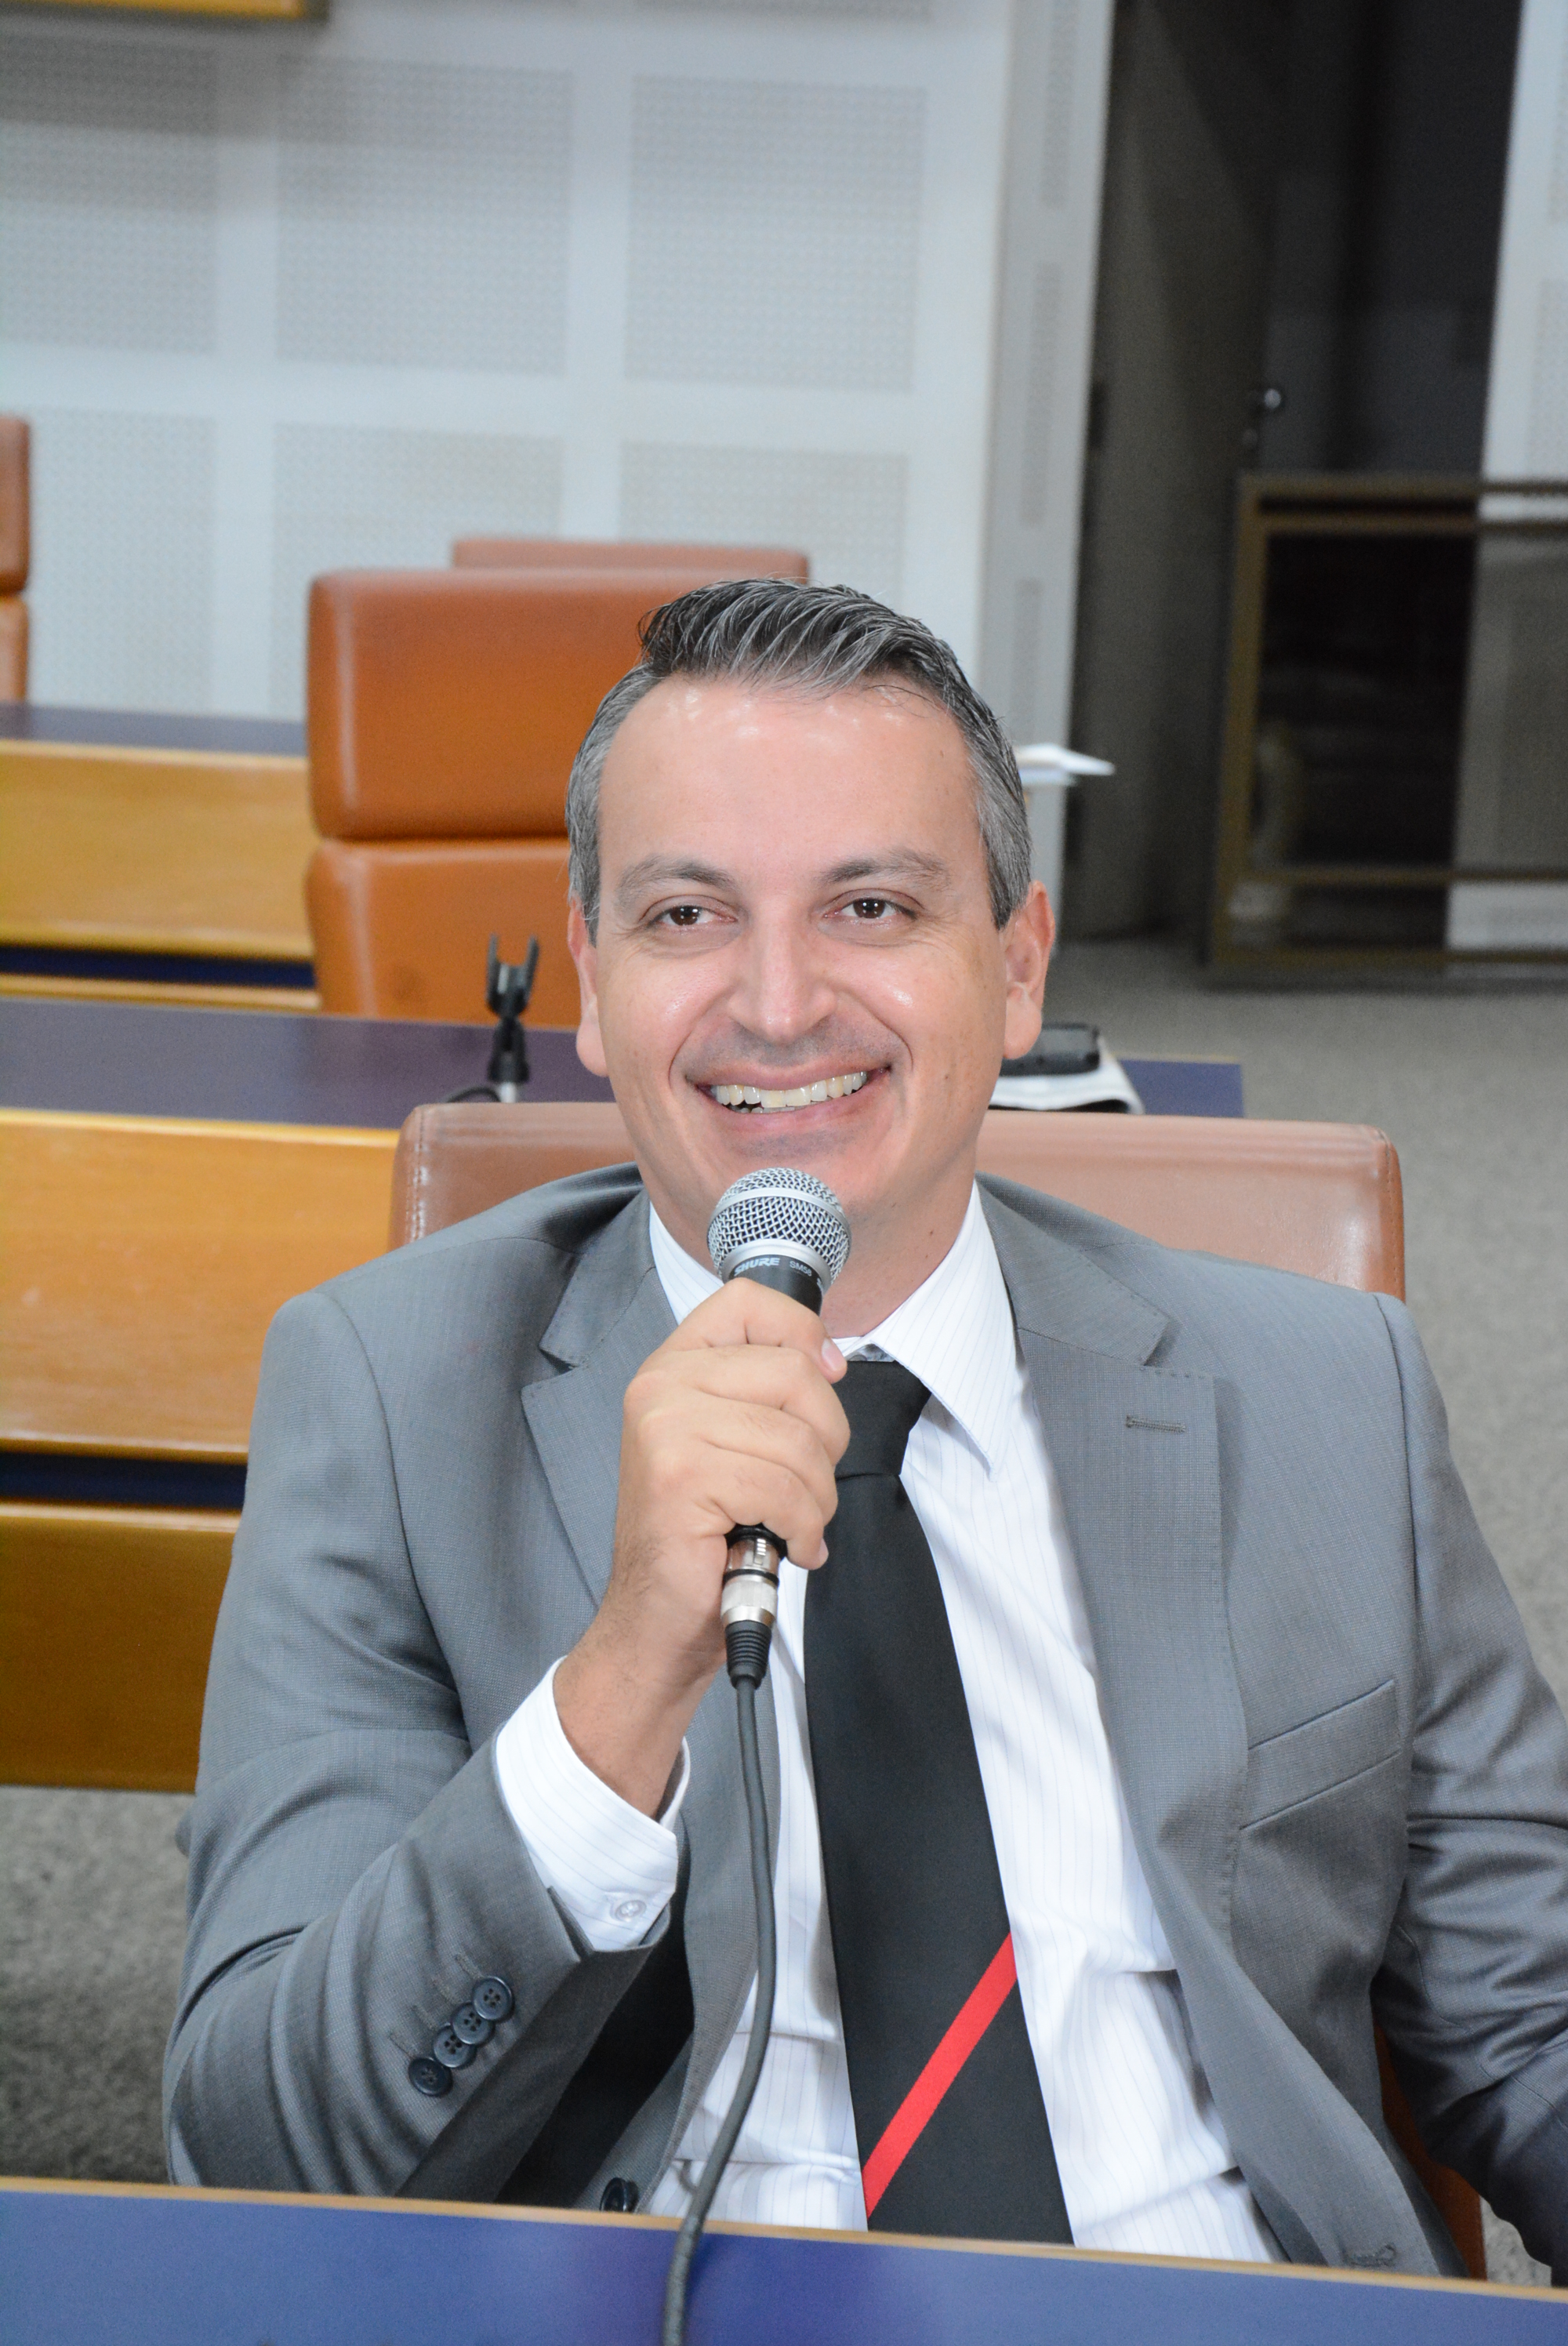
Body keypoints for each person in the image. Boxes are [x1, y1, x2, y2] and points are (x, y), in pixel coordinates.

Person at [167, 580, 1568, 2280]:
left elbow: (1533, 2017)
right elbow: (259, 2151)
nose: (777, 1003)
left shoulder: (1322, 1390)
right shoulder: (391, 1398)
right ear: (592, 978)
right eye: (688, 912)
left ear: (1017, 966)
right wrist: (621, 1684)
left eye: (872, 906)